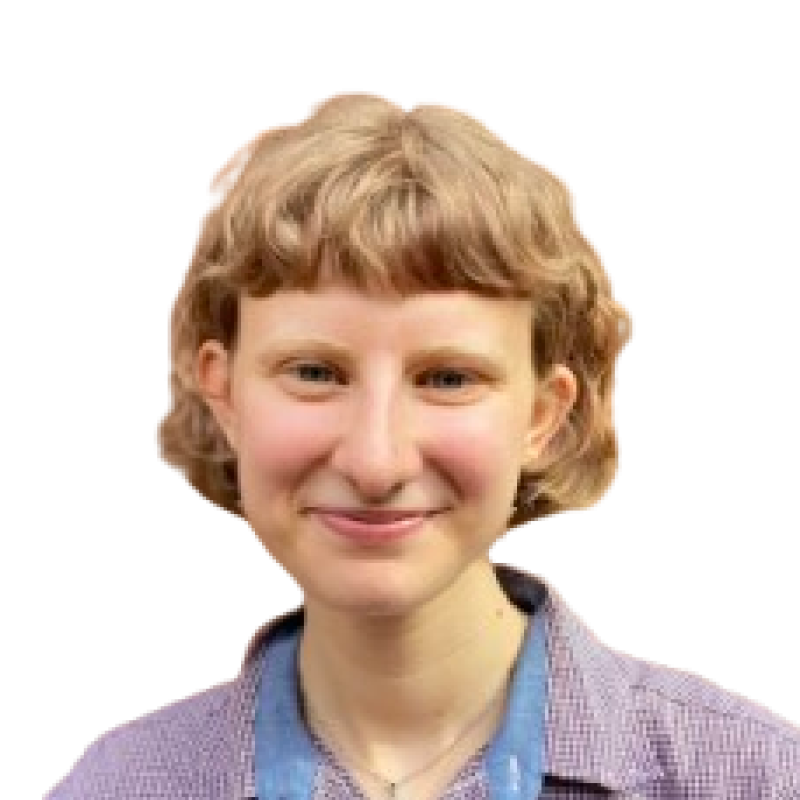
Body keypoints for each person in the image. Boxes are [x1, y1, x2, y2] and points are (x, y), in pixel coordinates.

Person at [44, 91, 797, 799]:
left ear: (543, 413)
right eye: (314, 372)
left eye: (446, 378)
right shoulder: (118, 784)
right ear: (225, 392)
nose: (377, 462)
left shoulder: (753, 776)